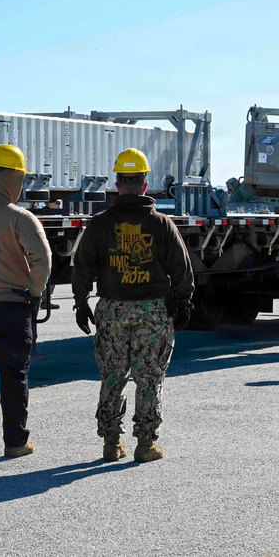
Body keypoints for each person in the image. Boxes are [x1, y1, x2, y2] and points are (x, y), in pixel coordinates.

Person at [72, 148, 194, 463]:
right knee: (149, 377)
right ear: (144, 184)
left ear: (117, 184)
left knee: (113, 375)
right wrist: (184, 302)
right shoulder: (162, 224)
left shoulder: (99, 224)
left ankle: (111, 443)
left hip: (111, 310)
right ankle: (145, 444)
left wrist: (81, 301)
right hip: (153, 311)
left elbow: (82, 266)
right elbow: (181, 269)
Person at [0, 144, 51, 458]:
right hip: (11, 307)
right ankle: (15, 442)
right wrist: (34, 292)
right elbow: (42, 259)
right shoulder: (19, 217)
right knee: (14, 376)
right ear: (13, 176)